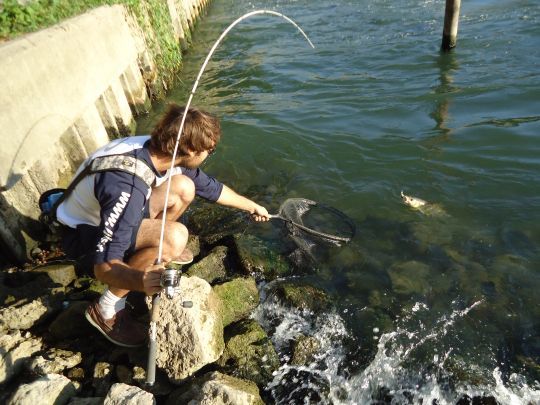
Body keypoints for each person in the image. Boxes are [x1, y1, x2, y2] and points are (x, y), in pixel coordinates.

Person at [56, 104, 270, 347]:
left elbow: (210, 188)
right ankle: (105, 309)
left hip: (111, 214)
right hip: (83, 233)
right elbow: (103, 268)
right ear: (189, 149)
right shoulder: (126, 185)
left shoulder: (161, 150)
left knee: (184, 188)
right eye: (210, 150)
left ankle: (149, 250)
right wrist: (140, 281)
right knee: (175, 237)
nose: (210, 154)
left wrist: (252, 206)